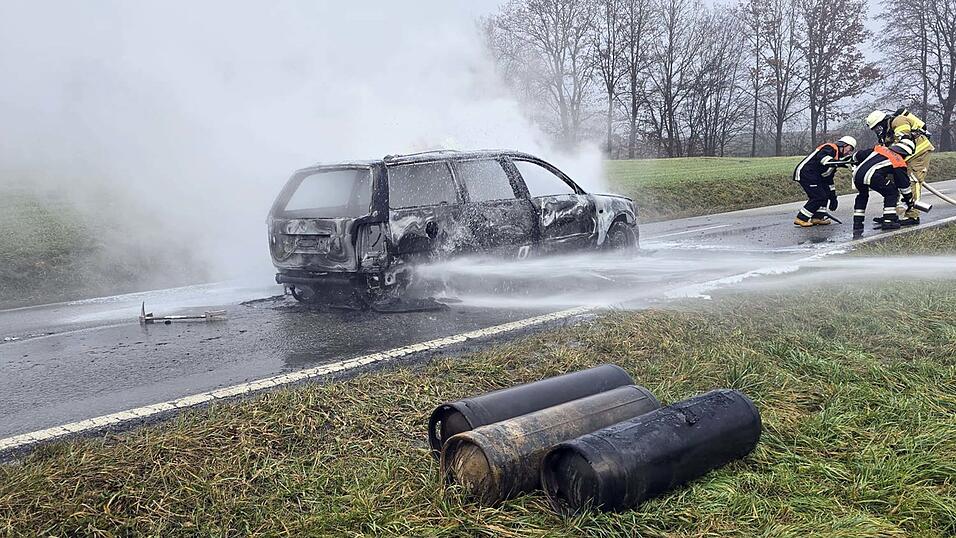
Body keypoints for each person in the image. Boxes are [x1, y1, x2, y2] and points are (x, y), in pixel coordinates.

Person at [865, 108, 934, 225]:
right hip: (905, 157)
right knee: (892, 182)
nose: (877, 131)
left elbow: (904, 140)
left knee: (914, 181)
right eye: (875, 129)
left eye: (878, 127)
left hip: (919, 153)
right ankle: (891, 214)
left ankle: (913, 216)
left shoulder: (899, 121)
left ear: (883, 121)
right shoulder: (887, 132)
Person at [851, 140, 916, 234]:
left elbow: (858, 155)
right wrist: (909, 200)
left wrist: (852, 159)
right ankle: (889, 221)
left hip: (857, 174)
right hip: (873, 176)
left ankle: (857, 223)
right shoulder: (898, 161)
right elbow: (904, 185)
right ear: (906, 153)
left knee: (862, 196)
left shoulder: (879, 148)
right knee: (892, 192)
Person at [792, 136, 857, 227]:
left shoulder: (835, 158)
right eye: (849, 149)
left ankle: (818, 217)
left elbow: (828, 180)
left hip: (815, 176)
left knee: (825, 193)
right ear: (843, 145)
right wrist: (836, 162)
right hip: (806, 173)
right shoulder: (830, 147)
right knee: (818, 196)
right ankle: (801, 218)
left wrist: (833, 197)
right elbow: (822, 158)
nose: (848, 153)